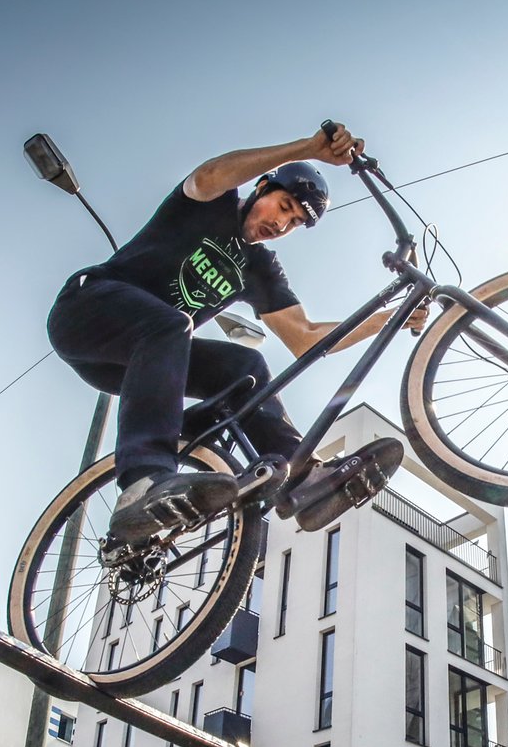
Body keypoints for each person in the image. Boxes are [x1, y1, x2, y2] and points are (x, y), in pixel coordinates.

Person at [45, 122, 423, 545]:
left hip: (133, 362)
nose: (281, 224)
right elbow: (209, 175)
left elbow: (305, 337)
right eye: (282, 206)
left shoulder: (260, 269)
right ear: (262, 188)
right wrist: (308, 149)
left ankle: (303, 479)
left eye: (294, 221)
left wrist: (386, 320)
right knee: (173, 324)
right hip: (84, 313)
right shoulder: (211, 203)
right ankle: (143, 482)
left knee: (246, 367)